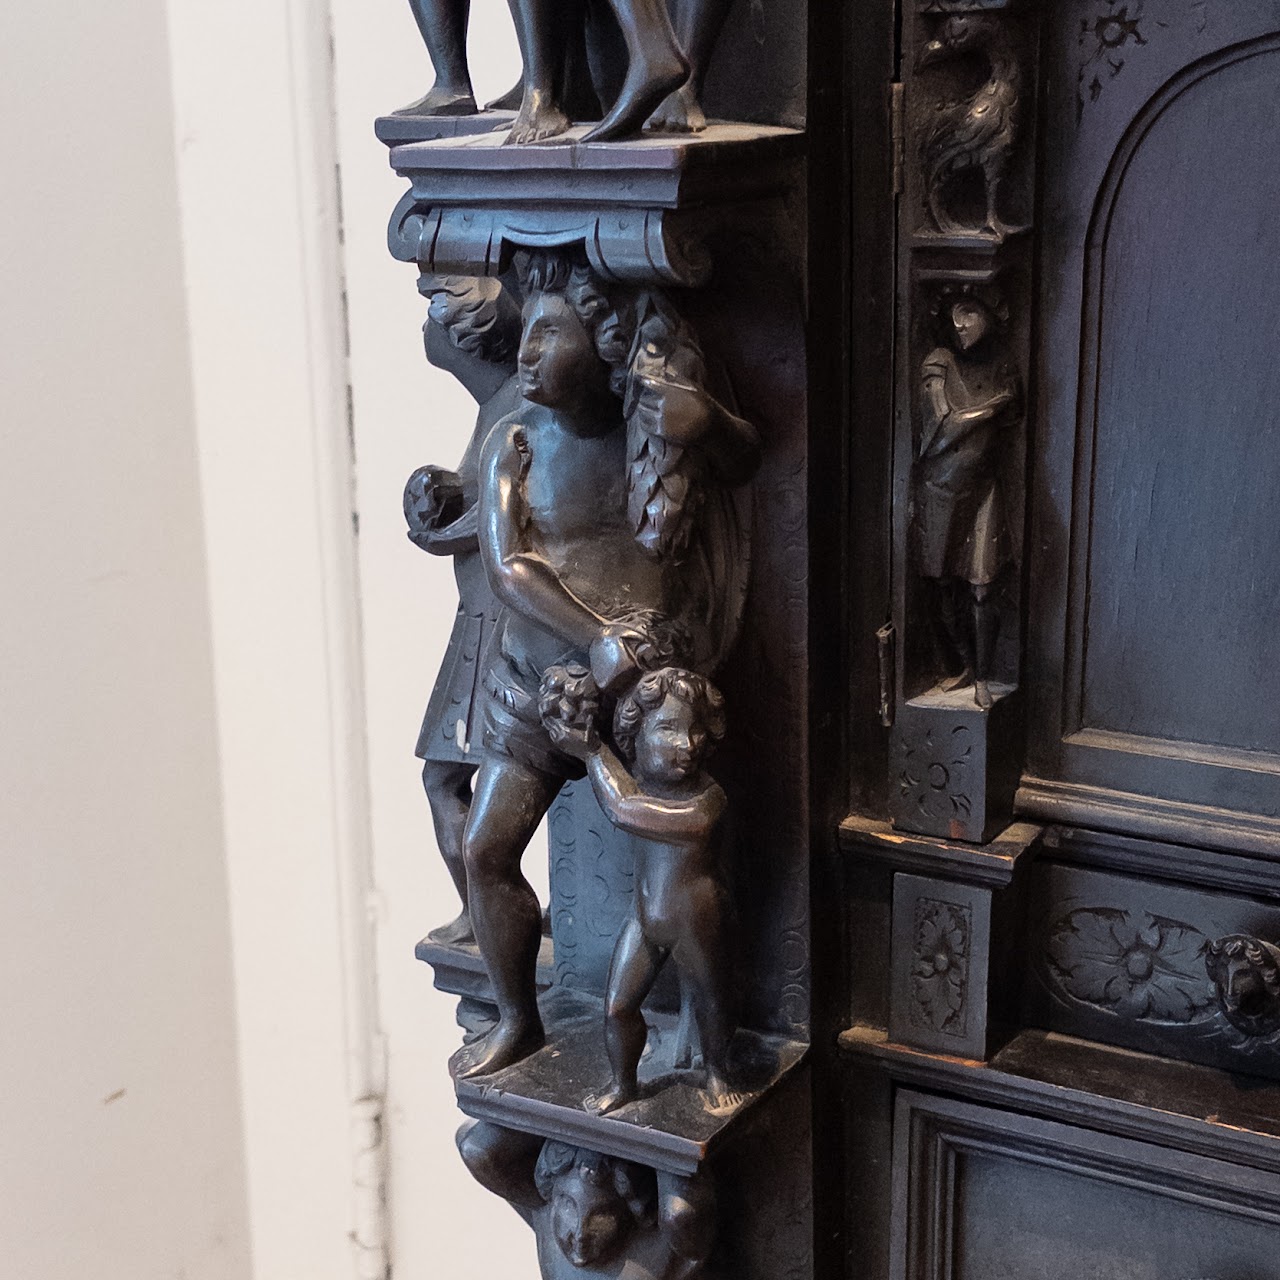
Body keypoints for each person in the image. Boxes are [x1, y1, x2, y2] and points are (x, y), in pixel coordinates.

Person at [543, 665, 743, 1115]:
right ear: (637, 733)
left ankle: (717, 1071)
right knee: (617, 1007)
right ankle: (624, 1083)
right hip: (646, 917)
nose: (687, 745)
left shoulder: (707, 801)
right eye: (669, 729)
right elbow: (625, 795)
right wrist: (589, 743)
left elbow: (624, 809)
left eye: (694, 731)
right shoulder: (643, 782)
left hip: (696, 917)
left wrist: (592, 752)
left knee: (712, 1000)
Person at [914, 291, 1021, 709]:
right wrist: (993, 407)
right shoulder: (937, 362)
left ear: (994, 315)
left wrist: (1004, 404)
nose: (961, 324)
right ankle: (960, 665)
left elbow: (1017, 414)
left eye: (971, 312)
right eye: (955, 315)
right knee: (942, 582)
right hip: (940, 489)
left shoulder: (1003, 364)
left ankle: (983, 677)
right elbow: (942, 427)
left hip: (983, 487)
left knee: (982, 584)